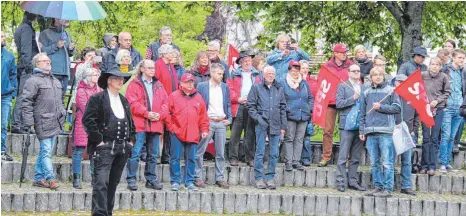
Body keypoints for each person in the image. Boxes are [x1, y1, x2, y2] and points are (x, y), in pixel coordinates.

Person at [82, 67, 134, 216]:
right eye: (117, 78)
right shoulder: (97, 98)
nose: (121, 81)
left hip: (122, 147)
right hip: (104, 148)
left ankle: (108, 213)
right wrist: (99, 141)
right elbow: (88, 120)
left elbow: (131, 122)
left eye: (122, 79)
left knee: (112, 184)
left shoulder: (124, 100)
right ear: (109, 81)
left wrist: (131, 140)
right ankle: (99, 213)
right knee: (101, 184)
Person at [22, 53, 66, 190]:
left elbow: (60, 101)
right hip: (42, 121)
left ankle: (38, 178)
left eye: (48, 60)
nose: (48, 62)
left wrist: (62, 113)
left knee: (45, 151)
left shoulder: (56, 81)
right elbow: (26, 102)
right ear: (37, 64)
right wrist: (28, 121)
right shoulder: (32, 81)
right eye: (44, 61)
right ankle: (50, 178)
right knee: (46, 151)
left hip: (55, 121)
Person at [124, 60, 167, 191]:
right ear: (142, 69)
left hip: (155, 124)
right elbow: (131, 103)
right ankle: (131, 179)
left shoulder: (159, 85)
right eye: (149, 68)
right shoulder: (134, 84)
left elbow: (166, 102)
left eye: (153, 68)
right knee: (135, 153)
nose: (152, 70)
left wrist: (160, 115)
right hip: (139, 125)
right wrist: (146, 113)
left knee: (153, 154)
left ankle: (151, 179)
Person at [359, 67, 401, 198]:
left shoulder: (391, 91)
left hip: (385, 131)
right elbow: (362, 113)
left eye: (380, 74)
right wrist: (362, 130)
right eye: (375, 75)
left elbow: (397, 108)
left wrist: (381, 107)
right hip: (370, 131)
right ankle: (378, 187)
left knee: (387, 162)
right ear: (371, 77)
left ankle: (388, 188)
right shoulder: (366, 92)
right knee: (374, 162)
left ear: (384, 76)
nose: (377, 77)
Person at [166, 73, 209, 191]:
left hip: (193, 132)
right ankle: (175, 181)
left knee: (191, 158)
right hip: (177, 132)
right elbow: (167, 113)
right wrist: (172, 128)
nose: (190, 84)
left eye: (191, 82)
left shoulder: (199, 97)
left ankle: (189, 182)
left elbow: (203, 116)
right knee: (175, 157)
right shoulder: (173, 96)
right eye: (187, 82)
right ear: (181, 83)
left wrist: (204, 129)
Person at [246, 66, 286, 190]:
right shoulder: (256, 87)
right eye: (268, 73)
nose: (270, 75)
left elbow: (283, 108)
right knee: (260, 151)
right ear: (263, 74)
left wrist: (283, 126)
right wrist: (258, 119)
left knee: (274, 153)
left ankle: (270, 177)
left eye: (273, 73)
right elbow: (250, 106)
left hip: (275, 124)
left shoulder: (279, 88)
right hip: (261, 123)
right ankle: (258, 178)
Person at [195, 63, 232, 189]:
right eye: (219, 73)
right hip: (208, 121)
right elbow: (198, 104)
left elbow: (227, 103)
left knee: (221, 152)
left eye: (222, 74)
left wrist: (230, 118)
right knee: (201, 150)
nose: (221, 76)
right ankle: (197, 177)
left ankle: (220, 178)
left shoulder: (225, 87)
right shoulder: (202, 86)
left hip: (221, 121)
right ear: (212, 73)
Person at [318, 43, 355, 167]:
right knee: (328, 130)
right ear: (335, 53)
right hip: (330, 103)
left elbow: (357, 82)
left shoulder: (352, 66)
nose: (345, 54)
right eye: (342, 52)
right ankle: (326, 156)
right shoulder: (326, 67)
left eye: (345, 52)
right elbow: (321, 84)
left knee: (347, 130)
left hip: (346, 102)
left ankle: (347, 156)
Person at [227, 50, 262, 167]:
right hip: (238, 106)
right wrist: (238, 98)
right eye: (245, 60)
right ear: (240, 62)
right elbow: (229, 90)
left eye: (249, 60)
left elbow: (261, 90)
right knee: (235, 134)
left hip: (252, 107)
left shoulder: (258, 74)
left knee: (250, 134)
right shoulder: (233, 74)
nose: (248, 62)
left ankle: (249, 158)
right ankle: (233, 157)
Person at [335, 64, 366, 192]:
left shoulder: (364, 87)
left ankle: (353, 181)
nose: (356, 73)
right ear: (348, 72)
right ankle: (341, 181)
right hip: (346, 125)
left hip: (360, 126)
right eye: (354, 71)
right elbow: (339, 103)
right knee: (343, 156)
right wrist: (353, 98)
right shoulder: (342, 86)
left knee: (355, 156)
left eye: (358, 71)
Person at [421, 57, 451, 175]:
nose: (434, 66)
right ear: (429, 65)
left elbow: (447, 92)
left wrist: (437, 101)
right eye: (432, 64)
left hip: (438, 110)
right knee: (425, 138)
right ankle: (424, 165)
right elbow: (416, 88)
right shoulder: (423, 75)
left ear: (440, 66)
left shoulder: (444, 77)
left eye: (437, 65)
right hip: (425, 109)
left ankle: (432, 166)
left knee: (434, 138)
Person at [281, 60, 313, 171]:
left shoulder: (304, 83)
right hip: (290, 115)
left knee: (299, 139)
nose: (295, 72)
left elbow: (310, 97)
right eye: (293, 70)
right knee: (289, 138)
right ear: (289, 70)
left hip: (303, 115)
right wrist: (286, 110)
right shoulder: (283, 83)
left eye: (297, 70)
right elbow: (281, 99)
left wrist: (309, 109)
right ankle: (288, 161)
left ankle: (296, 161)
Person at [72, 68, 102, 189]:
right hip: (83, 123)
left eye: (97, 74)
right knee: (79, 151)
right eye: (95, 74)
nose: (97, 76)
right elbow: (85, 106)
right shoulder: (81, 90)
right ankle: (76, 178)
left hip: (97, 124)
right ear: (88, 76)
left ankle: (94, 179)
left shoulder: (100, 89)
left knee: (95, 152)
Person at [11, 11, 39, 133]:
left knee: (24, 95)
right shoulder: (26, 29)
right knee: (24, 95)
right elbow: (26, 50)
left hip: (23, 66)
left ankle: (22, 124)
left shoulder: (22, 27)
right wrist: (29, 66)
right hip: (26, 67)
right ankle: (17, 124)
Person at [439, 49, 466, 173]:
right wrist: (442, 103)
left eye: (463, 58)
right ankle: (442, 163)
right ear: (453, 58)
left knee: (452, 137)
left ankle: (447, 162)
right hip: (447, 107)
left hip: (459, 108)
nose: (462, 60)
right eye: (460, 57)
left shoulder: (463, 72)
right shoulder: (445, 69)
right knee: (445, 135)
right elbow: (440, 87)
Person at [39, 18, 76, 98]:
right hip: (52, 71)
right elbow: (43, 52)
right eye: (64, 17)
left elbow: (70, 54)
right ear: (56, 19)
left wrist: (71, 49)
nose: (66, 19)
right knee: (50, 98)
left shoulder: (67, 34)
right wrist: (56, 45)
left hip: (65, 72)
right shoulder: (45, 33)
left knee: (61, 99)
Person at [393, 74, 418, 196]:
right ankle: (388, 184)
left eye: (403, 81)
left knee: (407, 161)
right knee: (389, 160)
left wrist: (414, 129)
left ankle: (406, 186)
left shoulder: (412, 97)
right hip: (393, 132)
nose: (401, 83)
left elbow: (418, 115)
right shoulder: (390, 95)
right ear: (395, 82)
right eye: (399, 81)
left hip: (408, 132)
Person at [154, 44, 178, 164]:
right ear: (164, 53)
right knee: (159, 129)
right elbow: (156, 83)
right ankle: (157, 155)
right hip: (161, 101)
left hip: (171, 101)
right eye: (170, 52)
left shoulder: (171, 66)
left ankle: (166, 155)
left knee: (169, 128)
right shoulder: (158, 64)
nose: (172, 54)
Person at [1, 31, 17, 161]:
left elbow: (13, 74)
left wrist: (13, 90)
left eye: (4, 36)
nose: (4, 38)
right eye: (1, 36)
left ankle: (1, 151)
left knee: (3, 124)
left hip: (5, 94)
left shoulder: (9, 56)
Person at [68, 47, 100, 112]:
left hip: (93, 96)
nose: (92, 57)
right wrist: (88, 62)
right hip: (80, 97)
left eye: (93, 56)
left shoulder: (97, 67)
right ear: (84, 56)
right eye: (89, 55)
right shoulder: (80, 65)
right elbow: (79, 77)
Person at [299, 60, 318, 166]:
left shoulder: (313, 82)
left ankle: (306, 158)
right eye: (303, 68)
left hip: (308, 113)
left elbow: (314, 97)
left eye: (306, 68)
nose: (305, 70)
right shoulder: (293, 81)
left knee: (306, 137)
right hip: (296, 113)